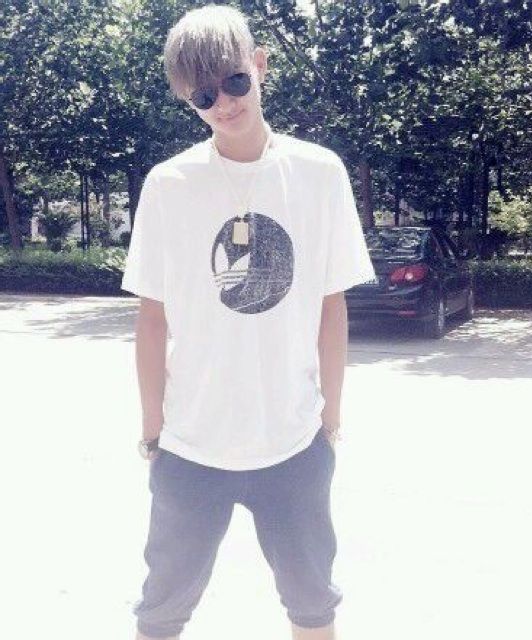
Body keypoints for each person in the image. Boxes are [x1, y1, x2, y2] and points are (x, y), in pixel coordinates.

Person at [121, 4, 375, 640]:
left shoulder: (319, 173)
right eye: (204, 95)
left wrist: (331, 420)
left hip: (292, 442)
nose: (224, 102)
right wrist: (152, 432)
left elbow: (332, 305)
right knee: (160, 613)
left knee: (313, 607)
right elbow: (152, 318)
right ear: (188, 100)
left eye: (234, 81)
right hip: (191, 446)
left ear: (259, 66)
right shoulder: (168, 184)